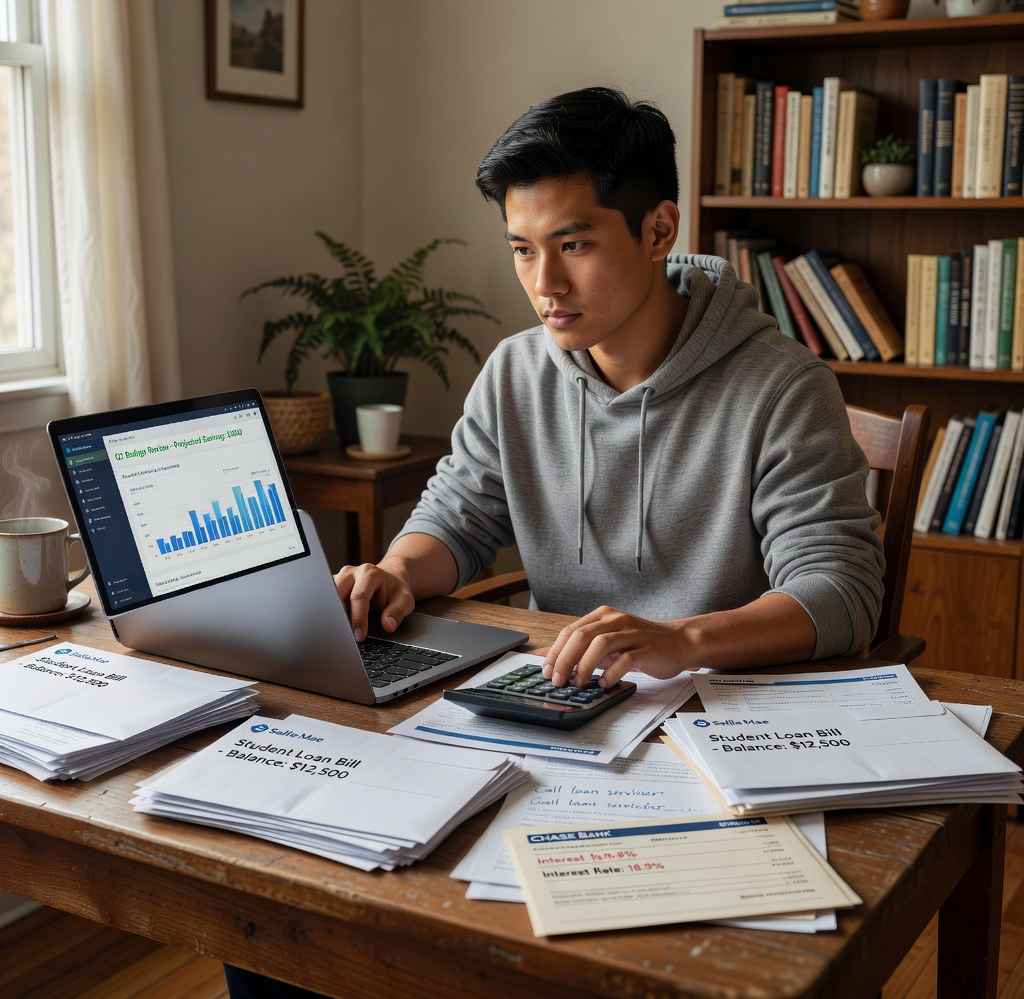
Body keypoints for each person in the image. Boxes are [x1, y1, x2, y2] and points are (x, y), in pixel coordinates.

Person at [224, 85, 883, 999]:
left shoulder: (781, 387)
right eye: (524, 251)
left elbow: (841, 592)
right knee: (283, 917)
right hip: (542, 722)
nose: (545, 285)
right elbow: (456, 518)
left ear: (659, 231)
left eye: (574, 245)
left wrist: (682, 638)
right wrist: (394, 574)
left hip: (705, 747)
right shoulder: (514, 371)